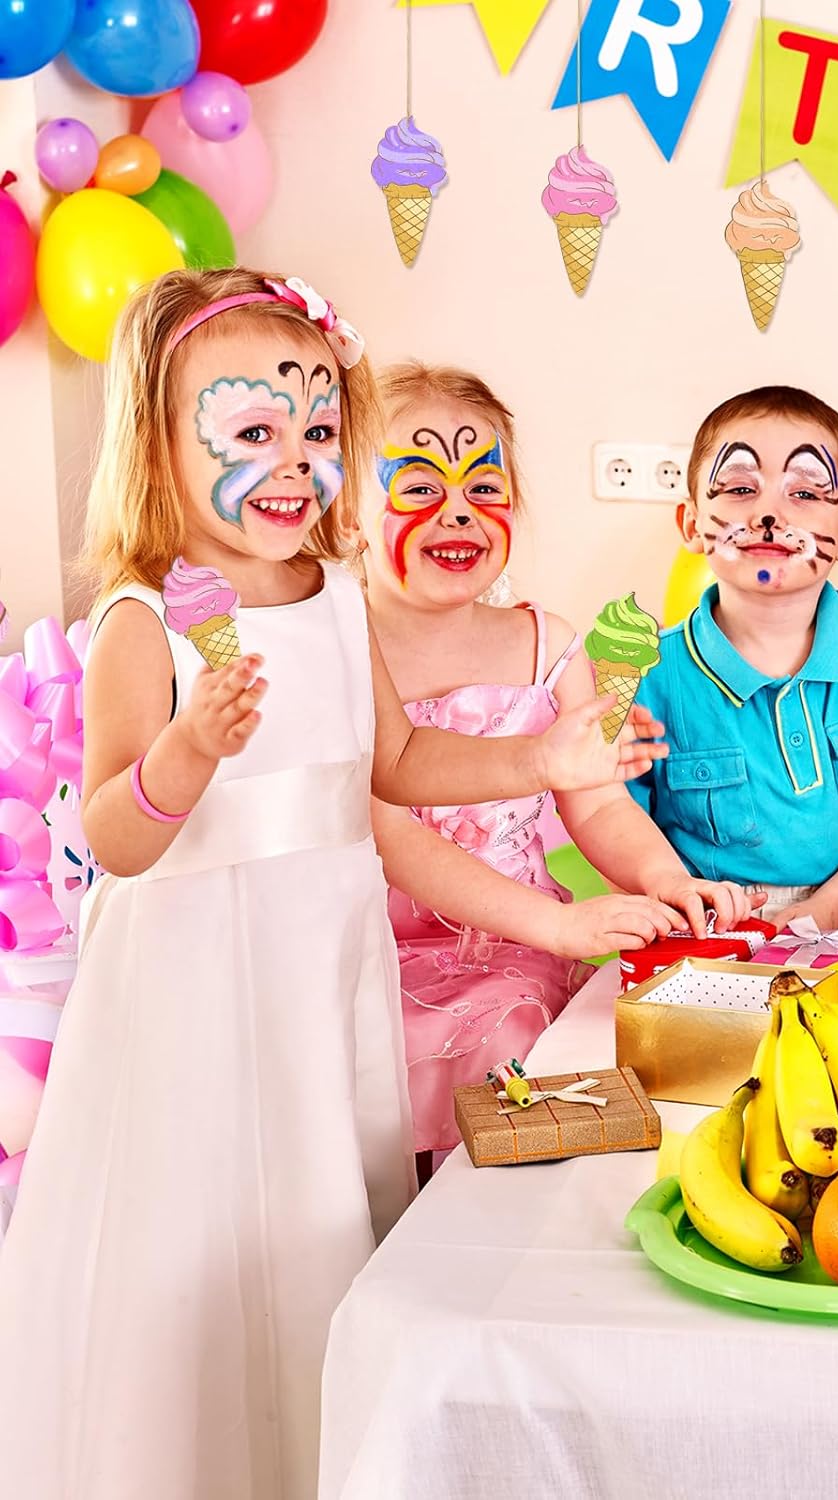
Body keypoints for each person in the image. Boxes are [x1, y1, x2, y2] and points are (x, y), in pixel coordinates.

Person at [0, 269, 661, 1500]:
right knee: (199, 1228)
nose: (293, 463)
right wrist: (190, 749)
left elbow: (398, 761)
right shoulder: (144, 620)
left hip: (323, 958)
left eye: (315, 431)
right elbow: (118, 838)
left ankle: (316, 1455)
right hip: (193, 976)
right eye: (252, 432)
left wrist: (542, 756)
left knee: (311, 1220)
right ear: (158, 442)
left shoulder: (341, 595)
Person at [364, 362, 757, 1156]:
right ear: (347, 511)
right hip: (373, 953)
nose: (457, 513)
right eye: (417, 487)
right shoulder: (344, 649)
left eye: (484, 486)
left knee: (527, 1030)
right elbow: (396, 844)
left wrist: (664, 880)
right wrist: (561, 923)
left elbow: (601, 803)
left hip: (519, 951)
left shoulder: (547, 645)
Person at [629, 386, 838, 930]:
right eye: (739, 488)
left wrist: (824, 913)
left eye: (804, 493)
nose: (769, 513)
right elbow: (616, 827)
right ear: (689, 524)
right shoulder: (648, 671)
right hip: (703, 928)